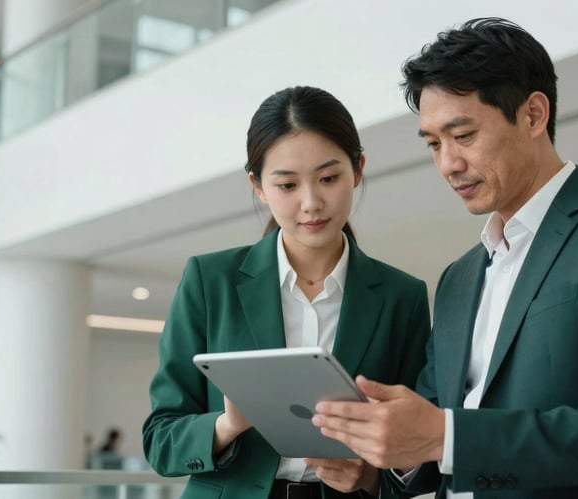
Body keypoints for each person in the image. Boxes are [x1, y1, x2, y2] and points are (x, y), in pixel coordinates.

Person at [312, 18, 578, 498]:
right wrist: (384, 459)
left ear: (534, 115)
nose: (448, 164)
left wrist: (443, 434)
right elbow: (439, 444)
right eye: (434, 144)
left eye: (463, 135)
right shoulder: (458, 278)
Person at [142, 86, 432, 499]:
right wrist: (227, 424)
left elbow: (421, 449)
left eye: (328, 179)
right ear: (258, 186)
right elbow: (160, 440)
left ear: (358, 169)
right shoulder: (209, 281)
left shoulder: (402, 298)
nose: (311, 203)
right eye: (287, 185)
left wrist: (368, 477)